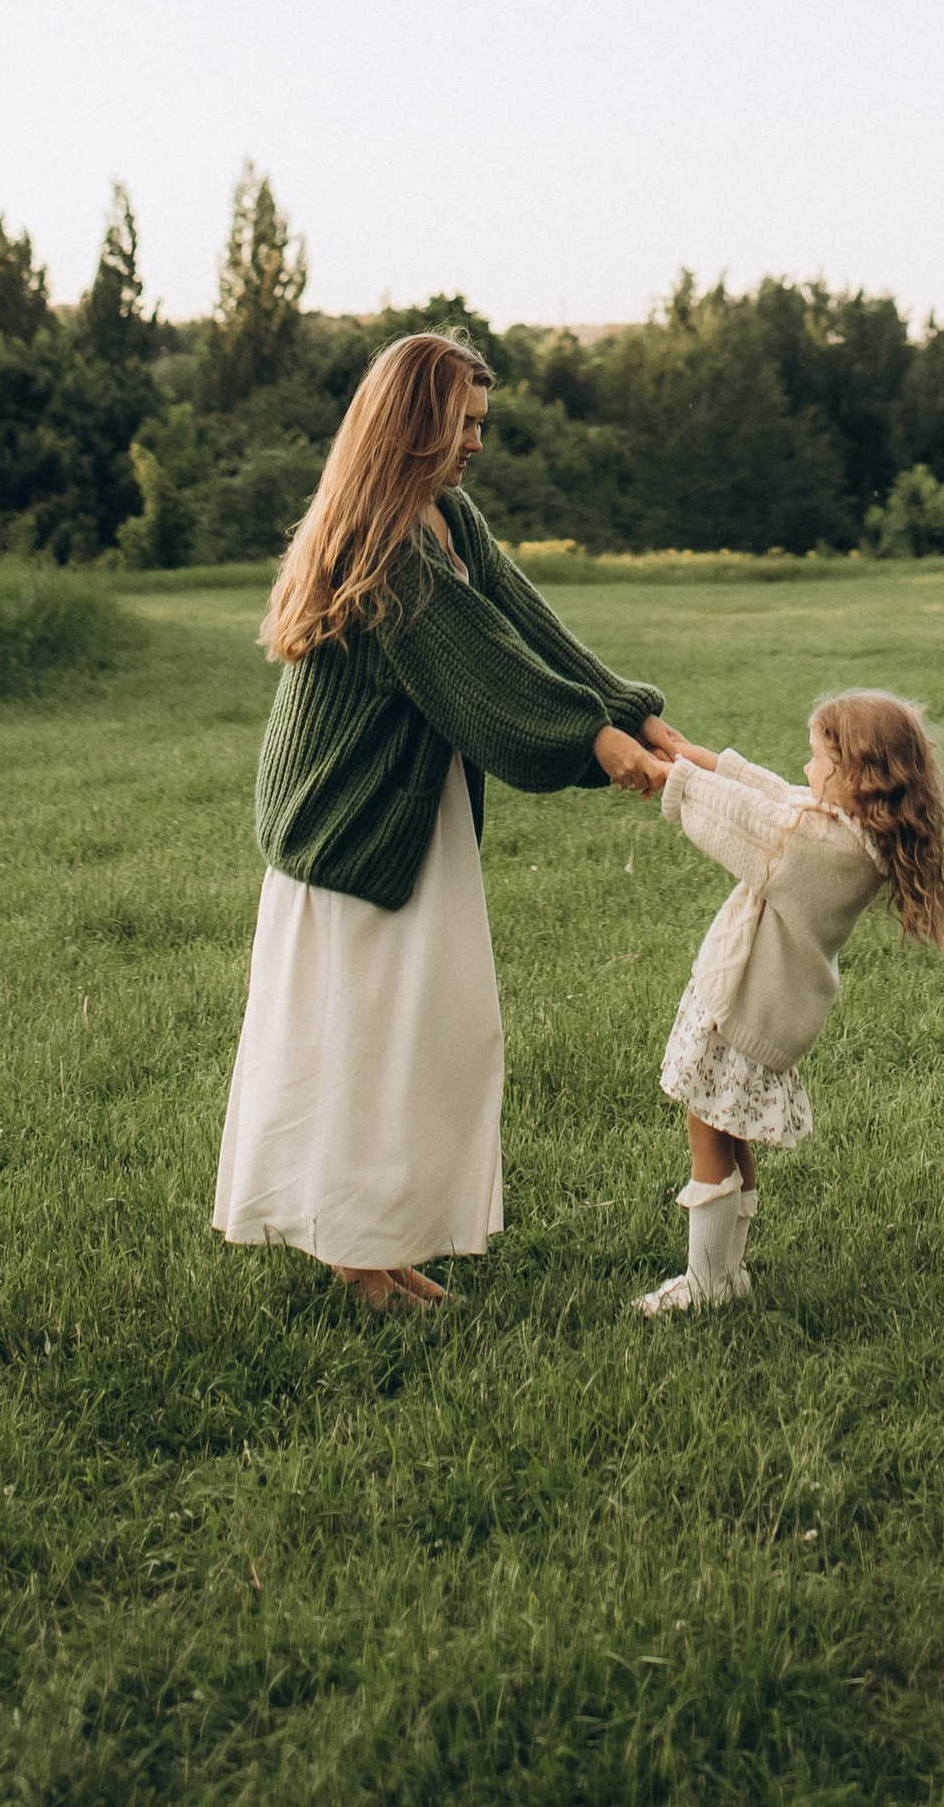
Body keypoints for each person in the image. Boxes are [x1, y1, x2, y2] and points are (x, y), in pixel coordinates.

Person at [213, 328, 683, 1310]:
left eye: (480, 422)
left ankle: (371, 1244)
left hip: (407, 813)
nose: (475, 442)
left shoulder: (445, 515)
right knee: (366, 1046)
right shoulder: (380, 546)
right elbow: (483, 675)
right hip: (349, 825)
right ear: (413, 421)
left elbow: (526, 623)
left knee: (424, 1037)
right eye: (462, 422)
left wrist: (636, 712)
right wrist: (596, 743)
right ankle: (359, 1257)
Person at [634, 689, 944, 1316]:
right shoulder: (849, 833)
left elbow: (750, 821)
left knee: (708, 1132)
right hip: (761, 1013)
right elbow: (774, 796)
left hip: (743, 1013)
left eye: (817, 759)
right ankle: (726, 1274)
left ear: (855, 777)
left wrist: (667, 777)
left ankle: (704, 1283)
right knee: (731, 1133)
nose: (807, 771)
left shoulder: (821, 852)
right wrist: (693, 757)